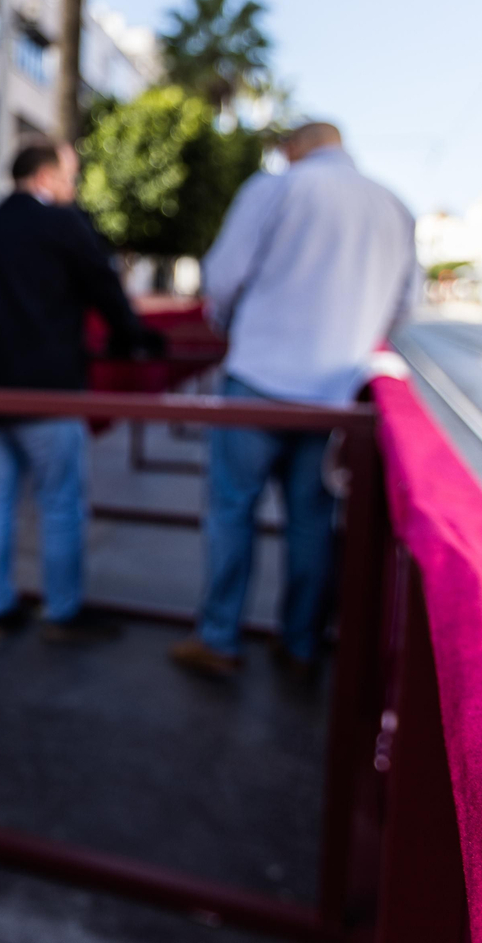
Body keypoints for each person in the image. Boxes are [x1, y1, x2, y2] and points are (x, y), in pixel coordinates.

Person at [169, 122, 417, 680]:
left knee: (233, 512)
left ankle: (219, 637)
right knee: (312, 522)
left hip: (258, 377)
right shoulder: (394, 205)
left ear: (295, 148)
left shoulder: (277, 188)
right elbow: (404, 306)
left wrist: (232, 324)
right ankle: (301, 643)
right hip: (336, 394)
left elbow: (224, 276)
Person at [0, 138, 163, 642]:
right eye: (69, 177)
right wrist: (134, 339)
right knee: (61, 504)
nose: (73, 188)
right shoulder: (65, 224)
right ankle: (62, 611)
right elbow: (106, 292)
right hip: (48, 392)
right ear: (45, 178)